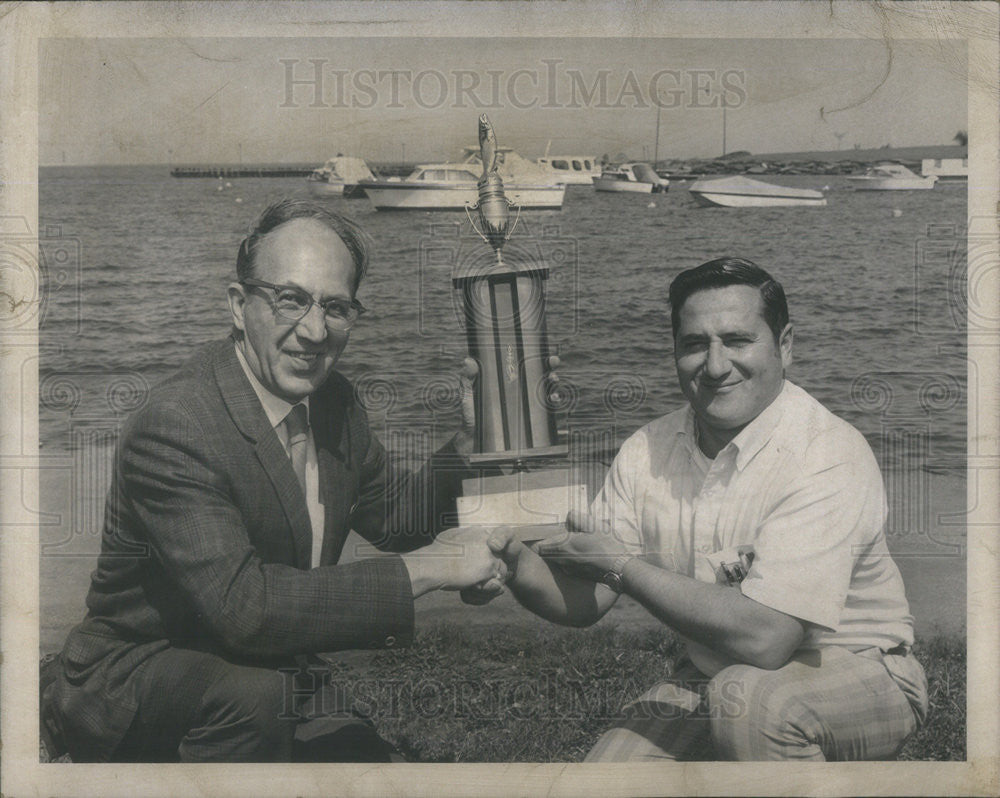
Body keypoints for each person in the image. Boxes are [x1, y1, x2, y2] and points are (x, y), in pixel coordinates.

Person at [47, 198, 504, 763]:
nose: (314, 331)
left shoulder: (333, 401)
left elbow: (395, 520)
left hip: (267, 667)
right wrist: (436, 568)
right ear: (239, 306)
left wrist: (468, 445)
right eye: (291, 299)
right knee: (256, 697)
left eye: (336, 308)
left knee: (366, 761)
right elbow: (246, 609)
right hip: (139, 673)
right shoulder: (177, 424)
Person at [487, 257, 929, 761]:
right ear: (675, 352)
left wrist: (621, 567)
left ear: (785, 345)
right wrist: (515, 564)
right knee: (603, 781)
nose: (716, 366)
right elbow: (587, 601)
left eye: (737, 341)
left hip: (861, 670)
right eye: (695, 344)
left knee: (754, 704)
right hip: (715, 677)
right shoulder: (647, 448)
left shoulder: (827, 452)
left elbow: (768, 639)